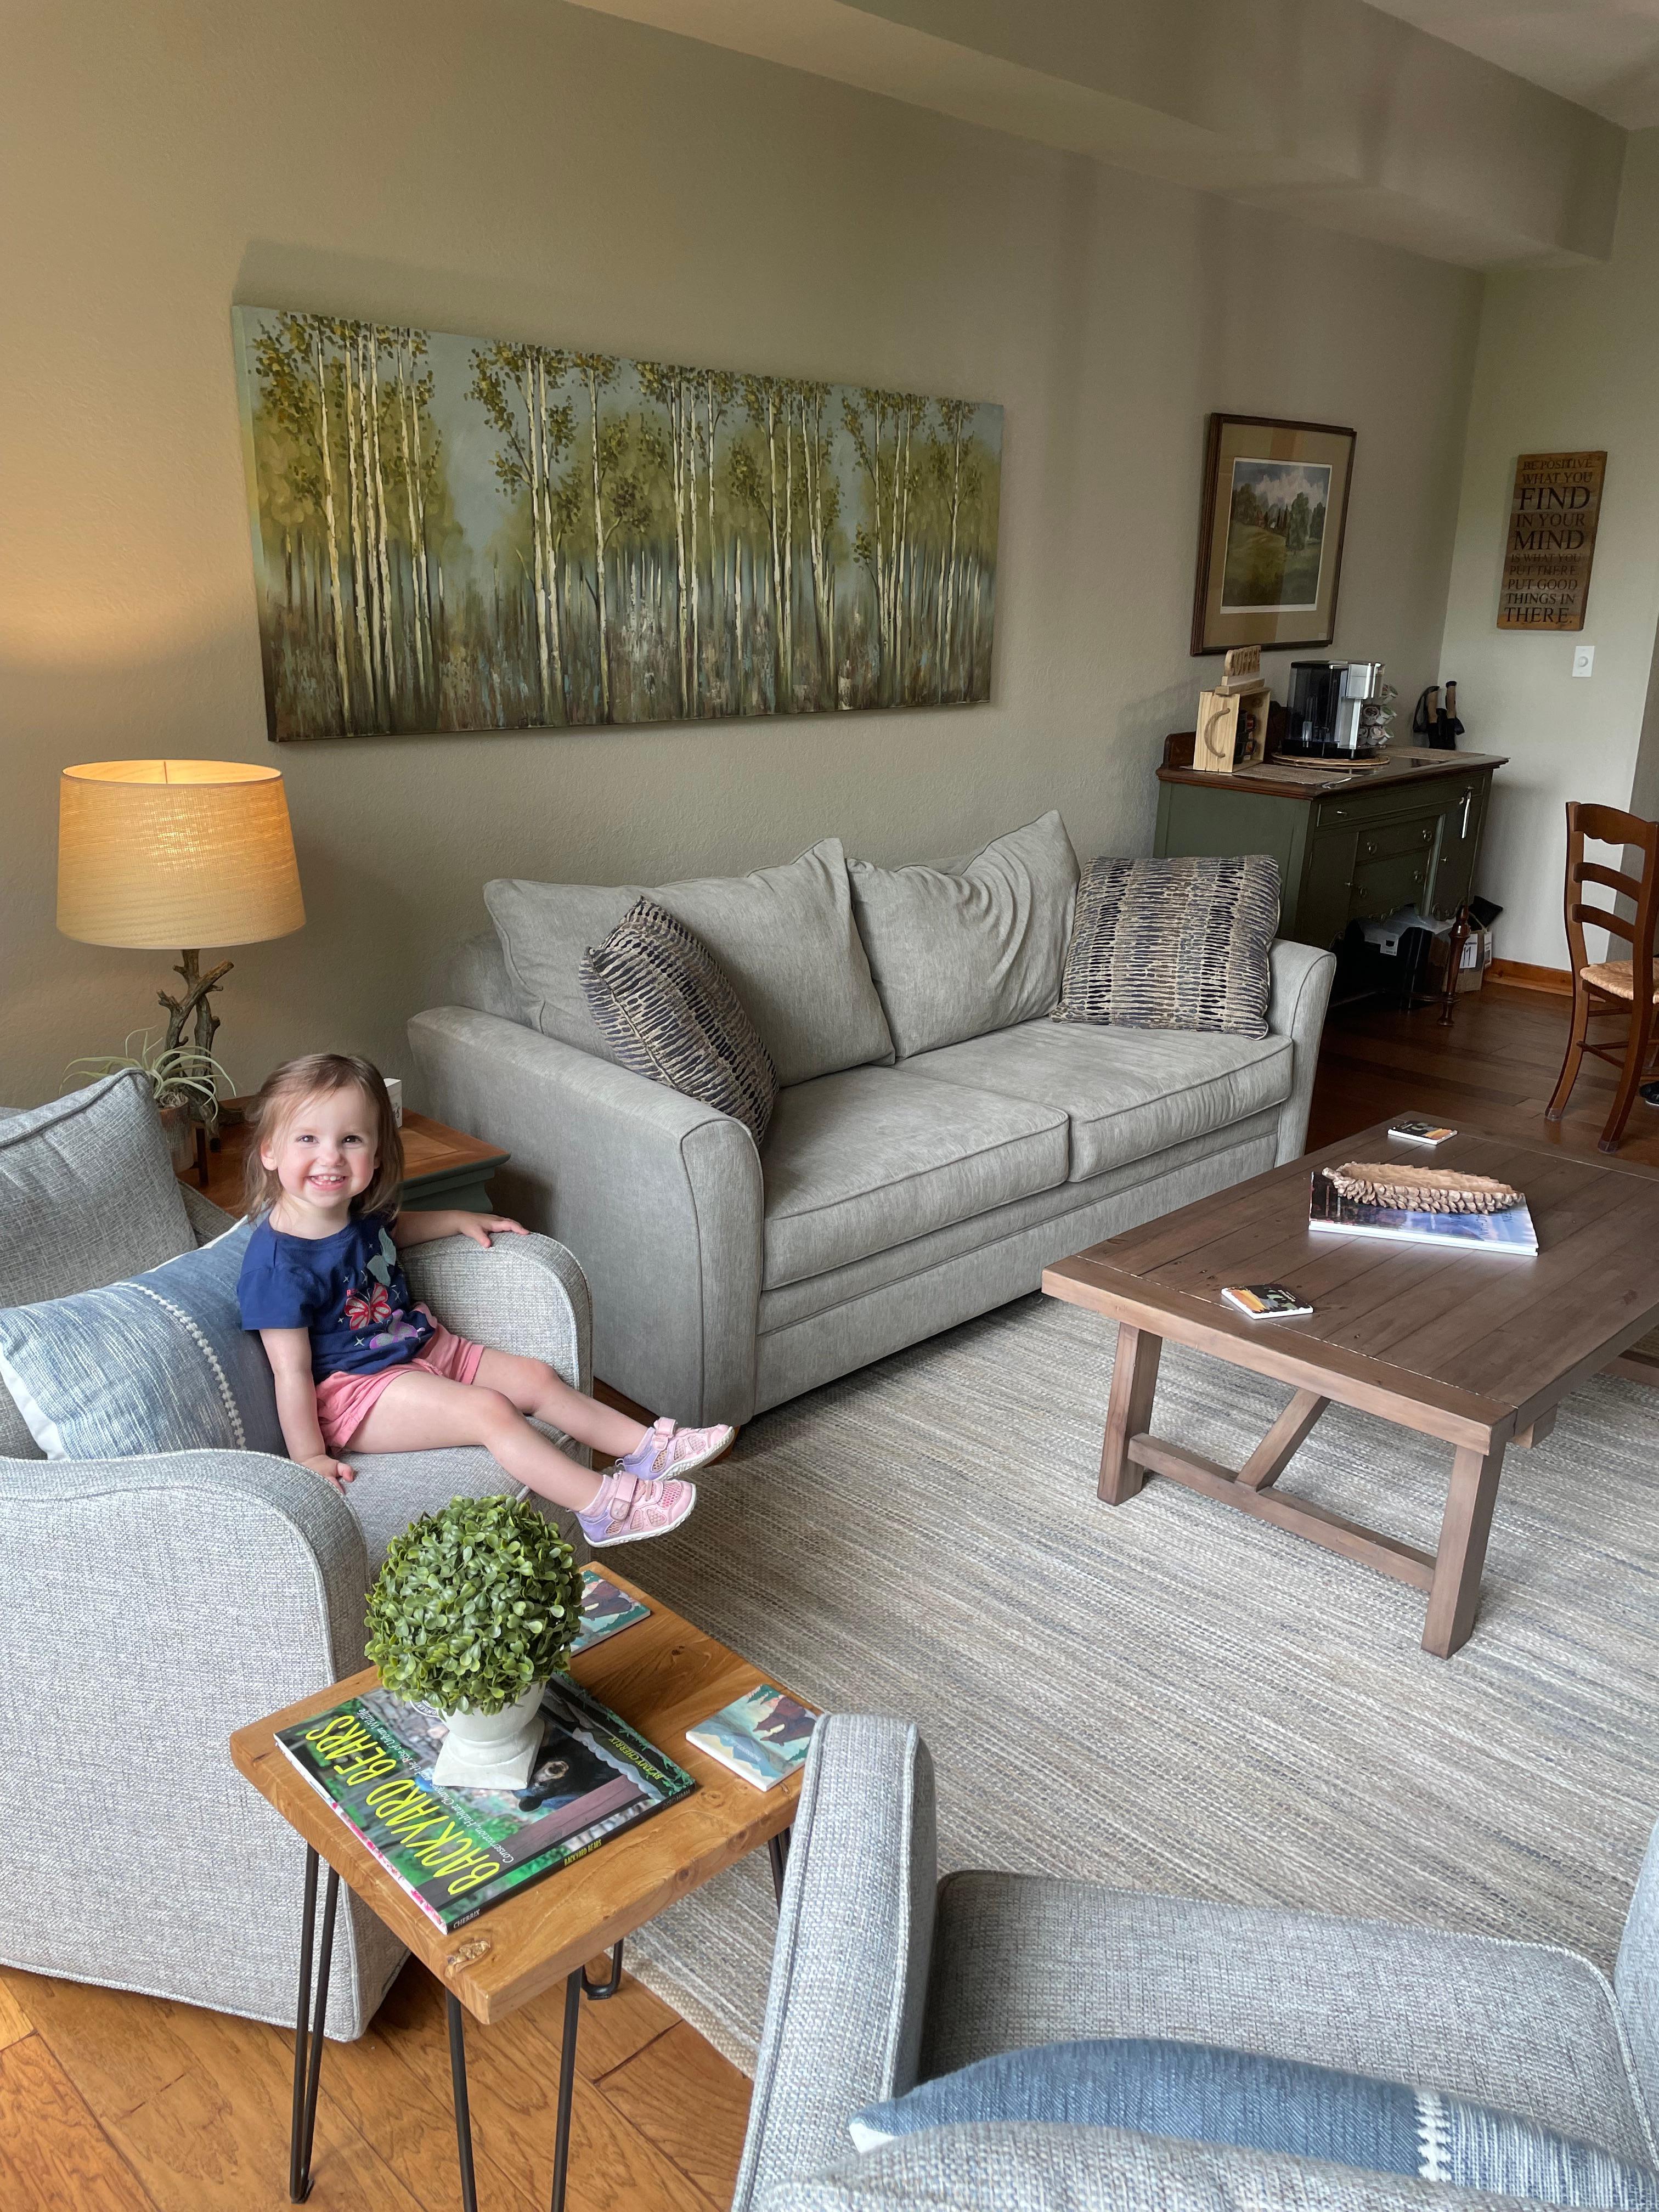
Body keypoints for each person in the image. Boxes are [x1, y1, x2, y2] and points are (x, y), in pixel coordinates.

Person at [235, 1052, 730, 1545]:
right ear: (269, 1151)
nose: (331, 1157)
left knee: (536, 1378)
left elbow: (391, 1231)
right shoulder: (278, 1267)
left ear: (378, 1153)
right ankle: (603, 1508)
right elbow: (292, 1372)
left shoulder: (356, 1210)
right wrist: (309, 1458)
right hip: (358, 1395)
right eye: (308, 1139)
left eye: (351, 1140)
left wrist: (455, 1218)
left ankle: (648, 1449)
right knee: (490, 1410)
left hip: (420, 1347)